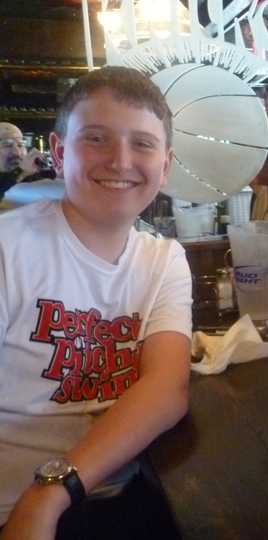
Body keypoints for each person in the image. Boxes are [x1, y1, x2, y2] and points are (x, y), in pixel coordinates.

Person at [0, 66, 192, 539]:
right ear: (60, 151)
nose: (121, 161)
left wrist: (53, 490)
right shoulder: (9, 248)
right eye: (97, 139)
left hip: (120, 493)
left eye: (143, 144)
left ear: (165, 165)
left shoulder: (164, 259)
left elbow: (166, 390)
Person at [0, 122, 56, 202]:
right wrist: (20, 172)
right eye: (7, 145)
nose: (17, 152)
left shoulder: (34, 178)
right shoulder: (22, 173)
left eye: (20, 145)